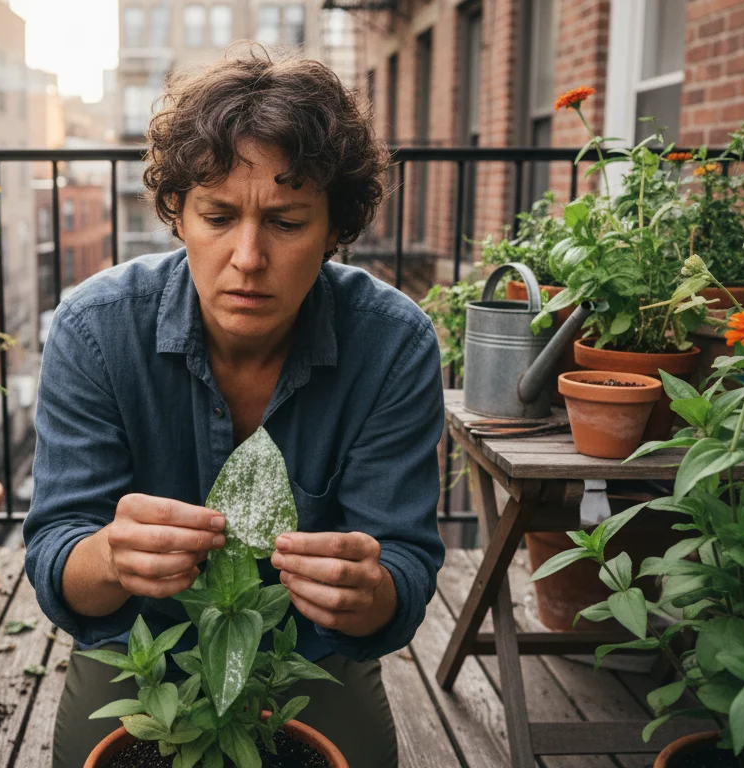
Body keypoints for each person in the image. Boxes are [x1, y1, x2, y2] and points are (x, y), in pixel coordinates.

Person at [25, 51, 446, 767]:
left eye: (286, 222)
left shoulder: (394, 343)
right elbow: (55, 552)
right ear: (178, 217)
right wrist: (111, 556)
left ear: (334, 231)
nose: (247, 256)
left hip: (306, 653)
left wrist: (365, 588)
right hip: (142, 649)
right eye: (218, 216)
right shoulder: (94, 330)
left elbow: (403, 568)